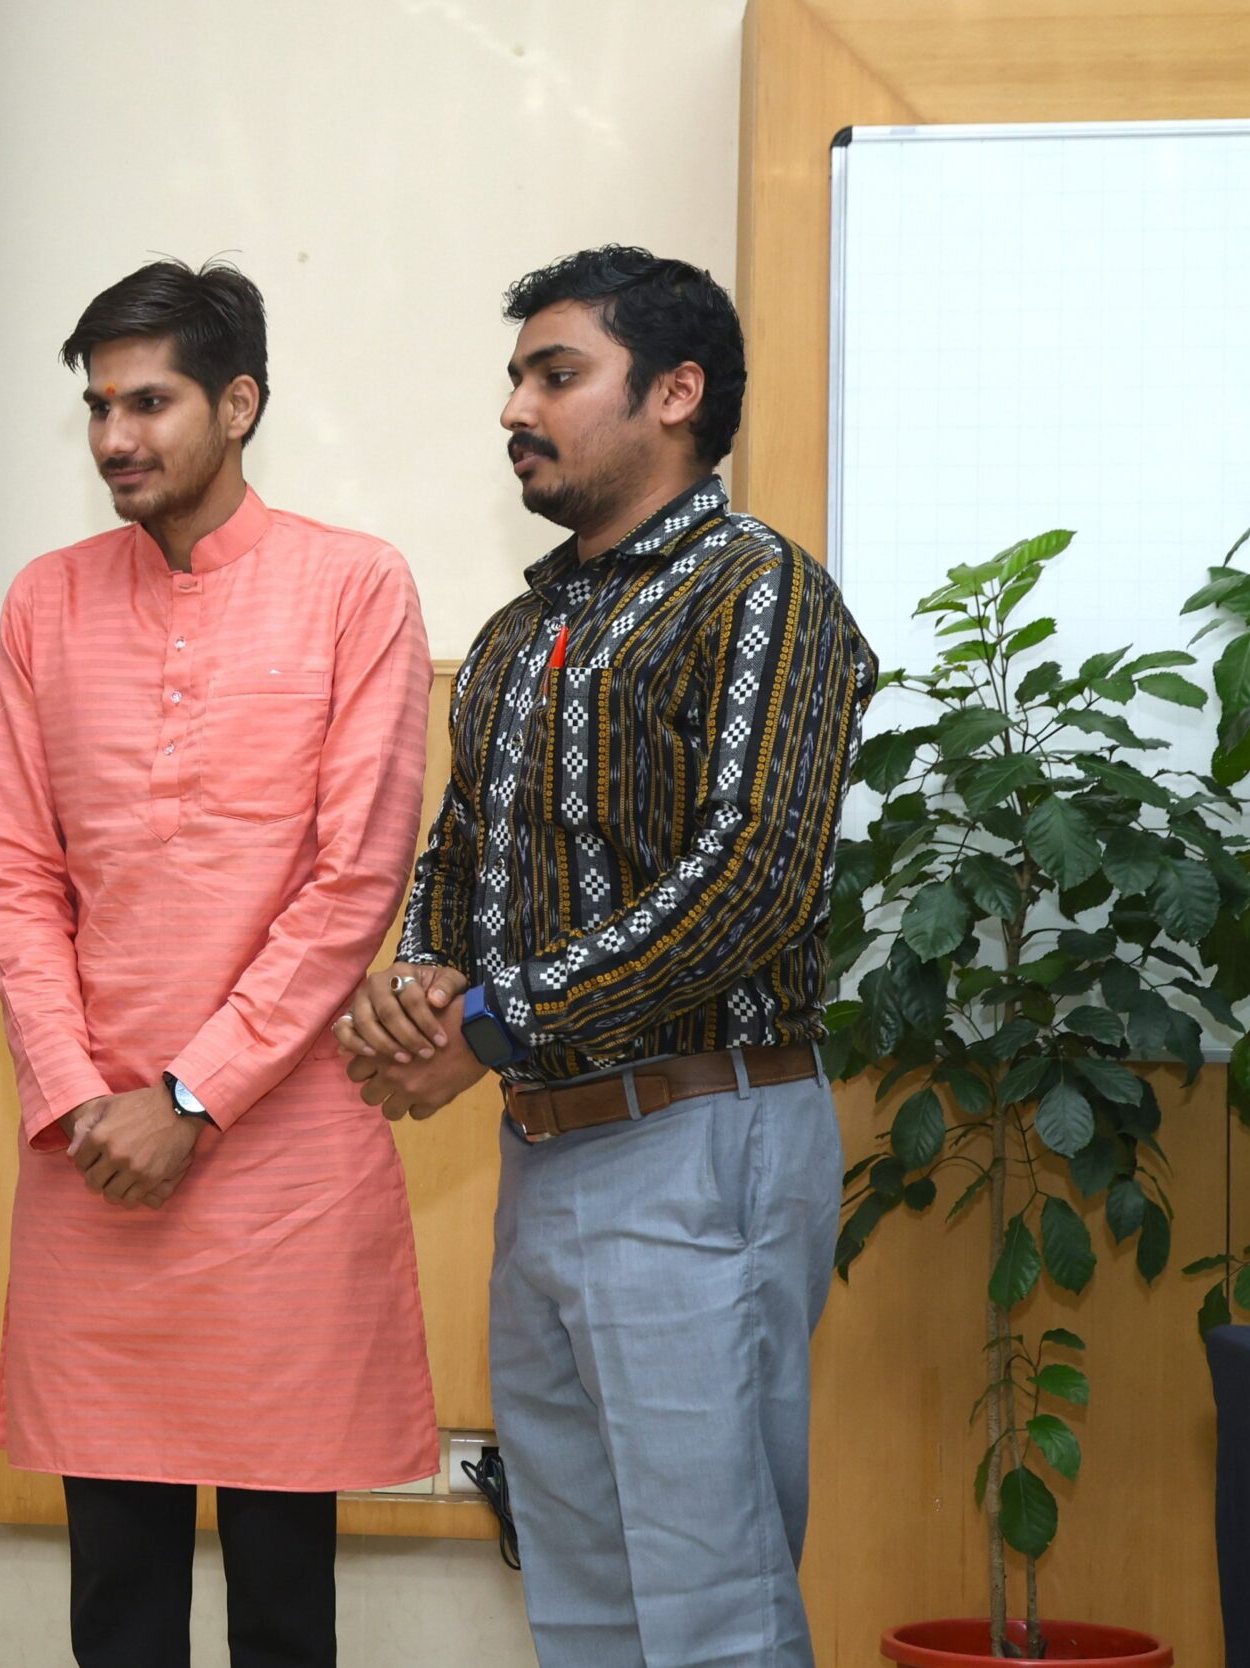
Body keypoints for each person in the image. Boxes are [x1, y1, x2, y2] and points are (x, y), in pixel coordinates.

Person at [337, 246, 877, 1668]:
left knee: (713, 1611)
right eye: (518, 377)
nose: (517, 407)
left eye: (556, 374)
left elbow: (751, 882)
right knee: (578, 1599)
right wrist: (422, 983)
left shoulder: (764, 593)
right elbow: (463, 854)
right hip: (543, 1150)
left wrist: (494, 1023)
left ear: (676, 393)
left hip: (702, 1139)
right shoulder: (521, 632)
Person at [0, 257, 439, 1668]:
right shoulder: (46, 601)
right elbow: (15, 877)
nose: (115, 437)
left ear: (238, 405)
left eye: (150, 403)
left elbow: (353, 882)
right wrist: (81, 1097)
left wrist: (189, 1099)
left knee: (283, 1608)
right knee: (117, 1605)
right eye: (98, 406)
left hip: (285, 1169)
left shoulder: (354, 586)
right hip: (94, 1165)